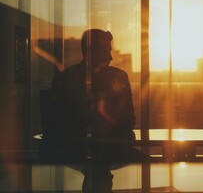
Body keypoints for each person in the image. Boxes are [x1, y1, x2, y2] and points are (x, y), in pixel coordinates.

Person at [46, 29, 136, 193]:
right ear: (92, 52)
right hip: (110, 149)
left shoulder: (67, 77)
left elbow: (56, 122)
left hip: (75, 149)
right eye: (107, 51)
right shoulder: (119, 77)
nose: (111, 57)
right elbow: (129, 120)